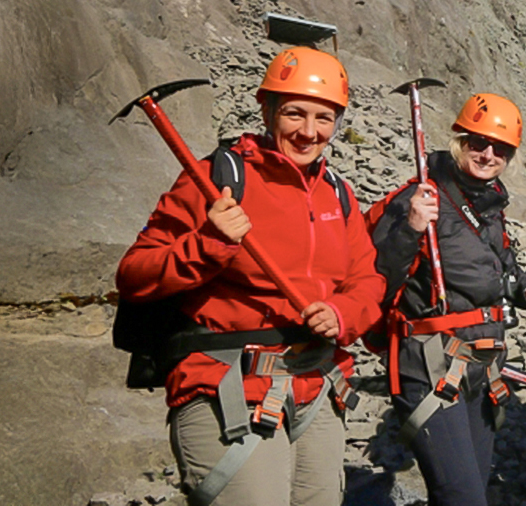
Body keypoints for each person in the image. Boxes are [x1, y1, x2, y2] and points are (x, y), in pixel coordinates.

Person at [117, 47, 386, 506]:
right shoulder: (218, 178)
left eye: (324, 118)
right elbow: (135, 274)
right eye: (294, 113)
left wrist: (341, 314)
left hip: (316, 383)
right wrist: (208, 244)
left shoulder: (337, 194)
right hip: (228, 384)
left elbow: (367, 281)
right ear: (267, 110)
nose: (308, 132)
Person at [367, 93, 526, 506]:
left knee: (465, 492)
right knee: (463, 497)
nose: (488, 154)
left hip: (479, 366)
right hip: (431, 363)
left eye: (501, 148)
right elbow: (375, 278)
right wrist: (411, 229)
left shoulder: (490, 205)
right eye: (478, 142)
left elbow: (504, 274)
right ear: (460, 140)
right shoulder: (420, 198)